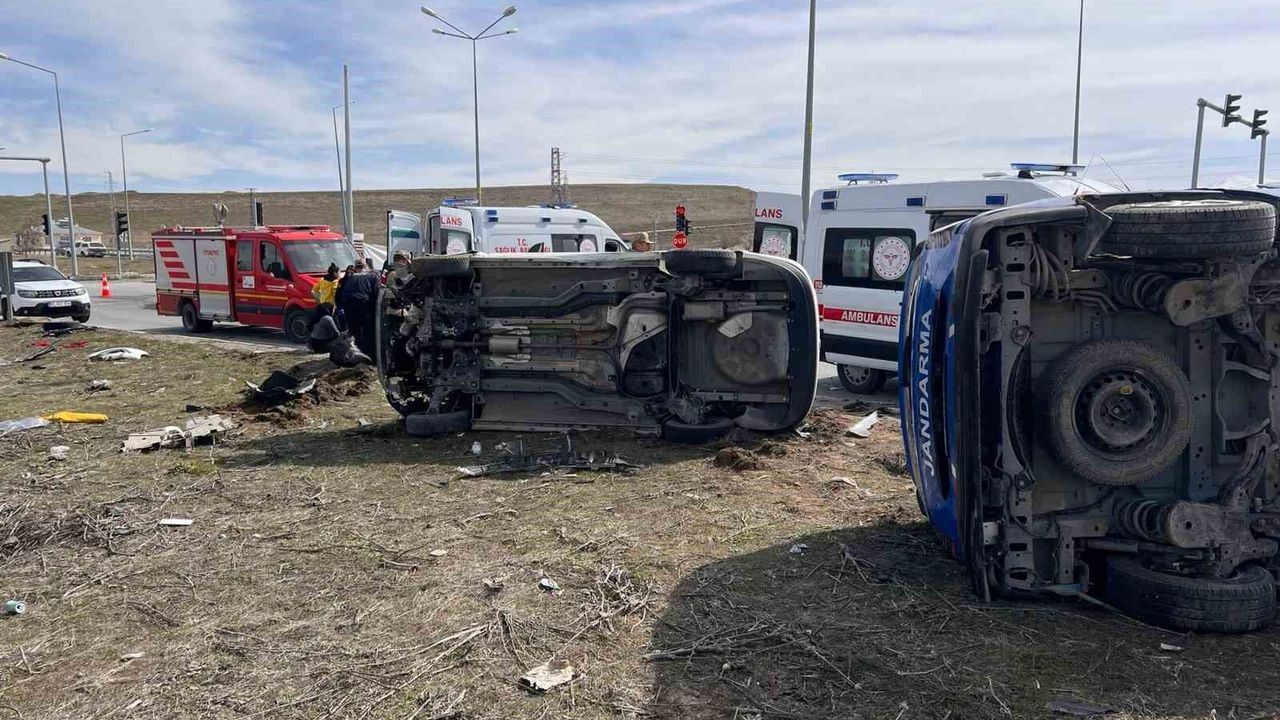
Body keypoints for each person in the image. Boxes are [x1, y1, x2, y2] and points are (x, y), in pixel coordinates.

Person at [337, 260, 381, 357]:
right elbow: (377, 293)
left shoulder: (349, 278)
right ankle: (369, 355)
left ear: (355, 268)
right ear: (365, 267)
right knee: (368, 330)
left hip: (348, 305)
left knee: (354, 330)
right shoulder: (372, 277)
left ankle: (355, 354)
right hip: (364, 304)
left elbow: (340, 294)